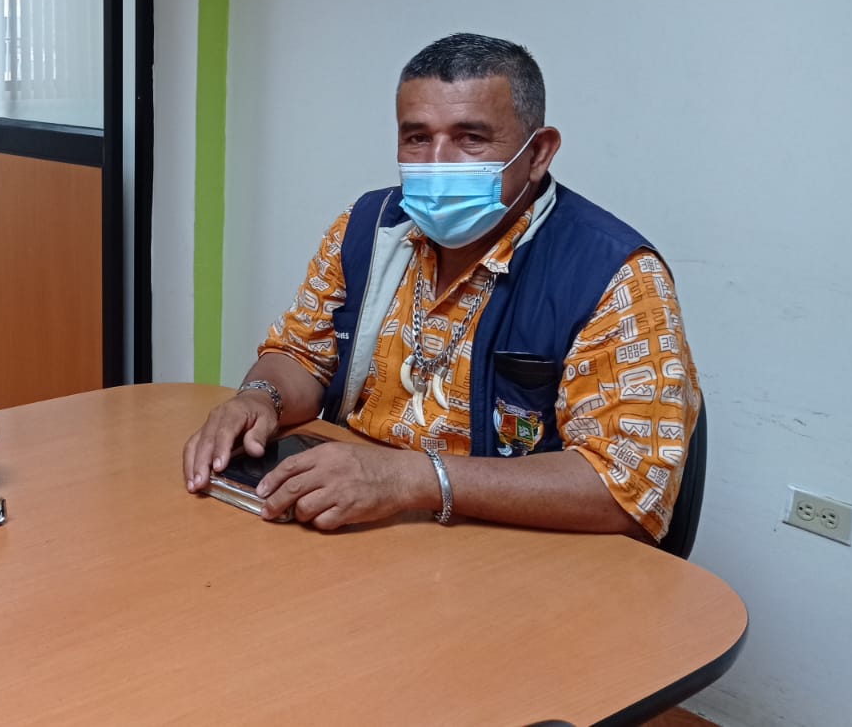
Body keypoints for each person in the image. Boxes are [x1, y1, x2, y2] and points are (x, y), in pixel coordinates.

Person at [183, 34, 701, 543]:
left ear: (539, 152)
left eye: (470, 138)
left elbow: (627, 489)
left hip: (506, 550)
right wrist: (261, 398)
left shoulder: (614, 273)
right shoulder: (368, 228)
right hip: (355, 525)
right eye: (416, 138)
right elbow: (302, 356)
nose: (436, 162)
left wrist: (413, 479)